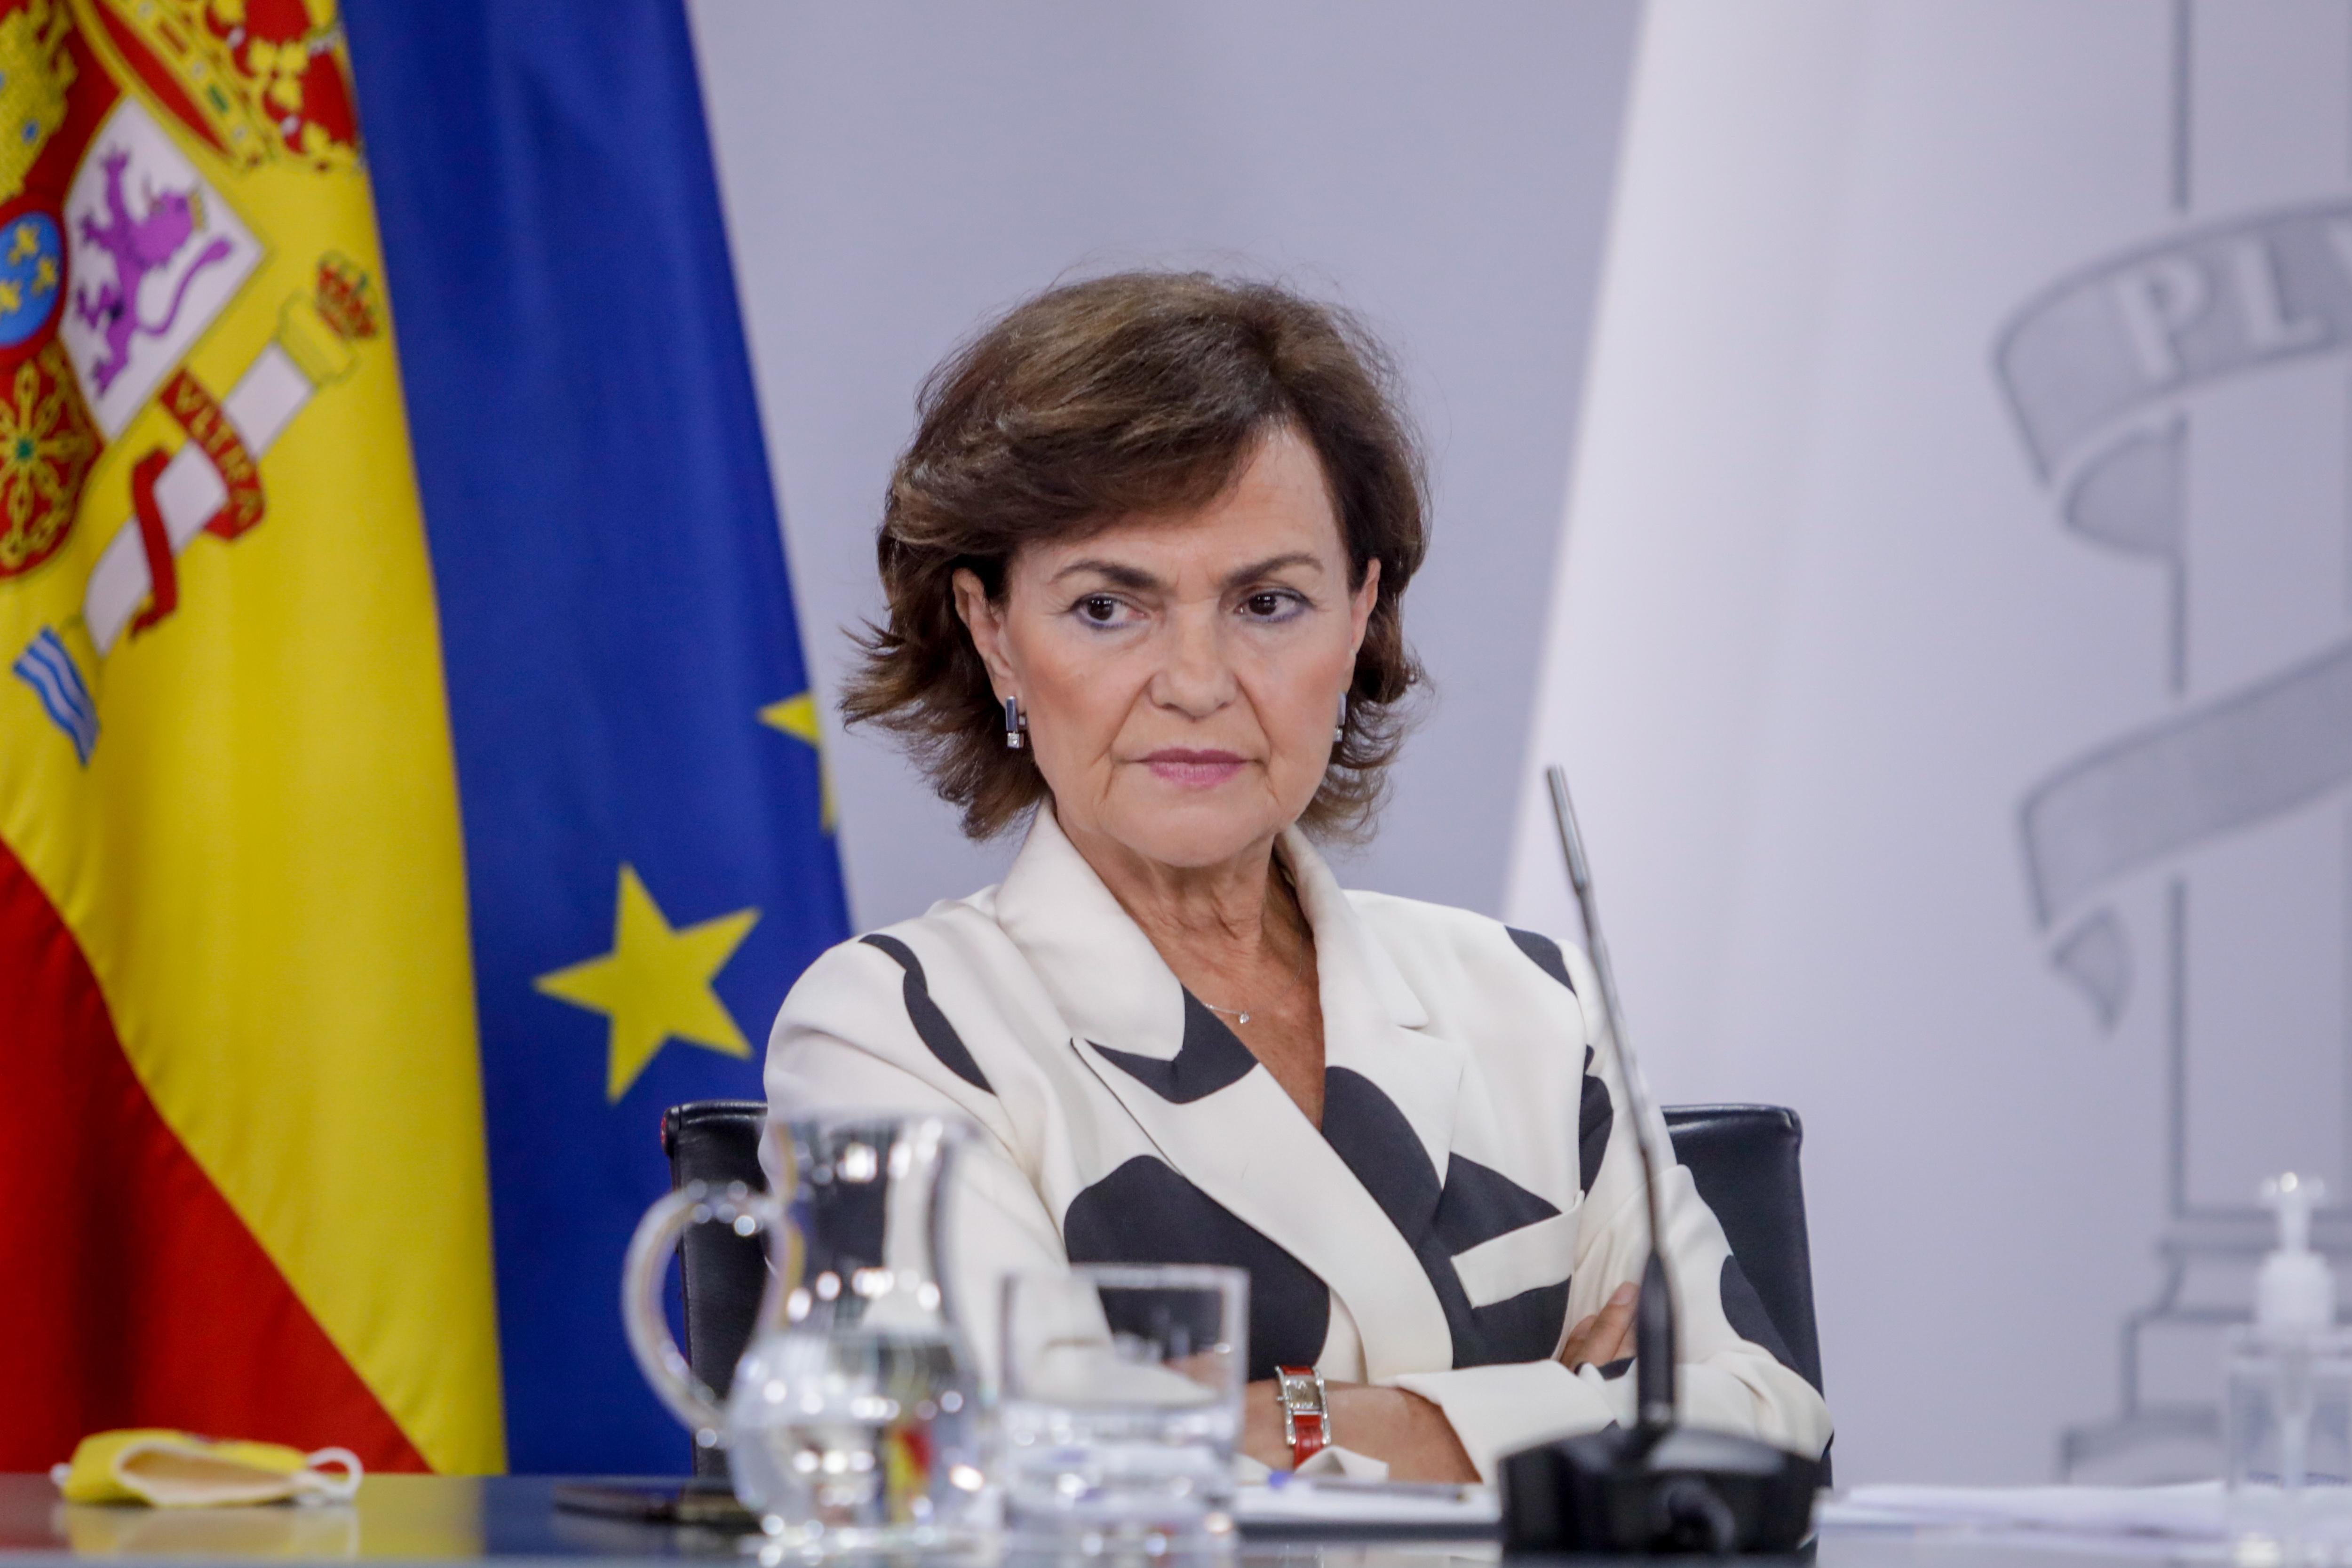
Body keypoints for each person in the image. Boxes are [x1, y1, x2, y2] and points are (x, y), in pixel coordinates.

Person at [764, 271, 1831, 1483]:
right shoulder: (899, 1027)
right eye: (1110, 607)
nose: (1198, 679)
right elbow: (1024, 1466)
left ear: (1362, 611)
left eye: (1269, 602)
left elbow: (1762, 1412)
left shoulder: (1531, 998)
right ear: (995, 631)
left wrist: (1293, 1422)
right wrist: (1554, 1408)